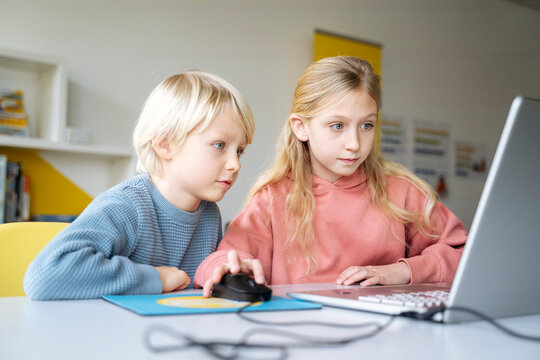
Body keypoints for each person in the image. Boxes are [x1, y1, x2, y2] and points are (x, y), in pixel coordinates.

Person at [194, 56, 467, 297]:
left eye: (366, 125)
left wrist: (403, 271)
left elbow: (466, 254)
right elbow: (224, 260)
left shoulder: (401, 191)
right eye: (337, 126)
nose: (354, 143)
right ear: (301, 127)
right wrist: (227, 268)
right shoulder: (272, 197)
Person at [24, 70, 255, 300]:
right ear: (165, 144)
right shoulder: (126, 205)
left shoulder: (208, 214)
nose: (235, 164)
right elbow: (44, 276)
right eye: (219, 145)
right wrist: (155, 279)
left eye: (239, 151)